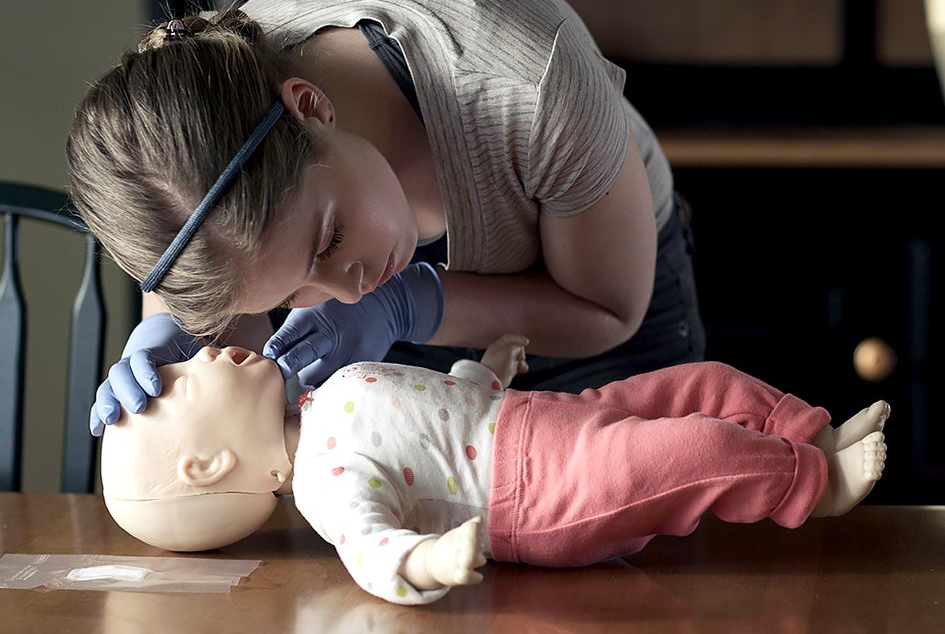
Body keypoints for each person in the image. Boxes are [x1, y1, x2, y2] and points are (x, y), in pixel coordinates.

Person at [66, 0, 705, 437]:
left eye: (328, 241)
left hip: (591, 308)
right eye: (290, 295)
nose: (345, 292)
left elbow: (607, 310)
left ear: (310, 106)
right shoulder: (203, 117)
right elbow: (223, 277)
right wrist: (185, 347)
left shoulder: (532, 85)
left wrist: (405, 306)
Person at [100, 338, 888, 606]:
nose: (199, 352)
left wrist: (483, 371)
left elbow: (434, 411)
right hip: (538, 493)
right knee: (692, 447)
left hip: (546, 415)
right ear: (209, 464)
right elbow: (369, 551)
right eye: (182, 380)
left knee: (705, 382)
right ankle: (807, 491)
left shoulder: (324, 393)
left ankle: (803, 440)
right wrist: (425, 560)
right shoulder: (322, 482)